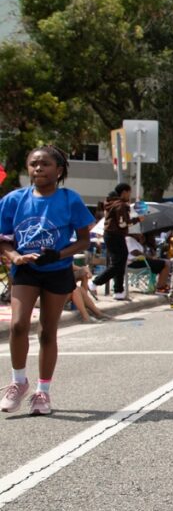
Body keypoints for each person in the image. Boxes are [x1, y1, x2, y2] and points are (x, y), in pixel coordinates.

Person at [0, 146, 95, 415]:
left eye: (45, 164)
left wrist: (59, 254)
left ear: (59, 170)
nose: (38, 168)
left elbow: (84, 240)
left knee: (47, 331)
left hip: (57, 269)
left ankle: (43, 392)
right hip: (26, 270)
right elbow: (3, 239)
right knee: (18, 325)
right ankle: (19, 383)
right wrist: (15, 256)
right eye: (33, 164)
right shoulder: (13, 200)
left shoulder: (69, 199)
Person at [90, 183, 138, 300]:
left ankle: (118, 291)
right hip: (115, 235)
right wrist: (137, 219)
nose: (129, 195)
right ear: (124, 192)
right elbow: (122, 224)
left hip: (112, 235)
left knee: (120, 263)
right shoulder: (119, 205)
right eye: (129, 192)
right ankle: (94, 283)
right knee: (118, 264)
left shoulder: (112, 203)